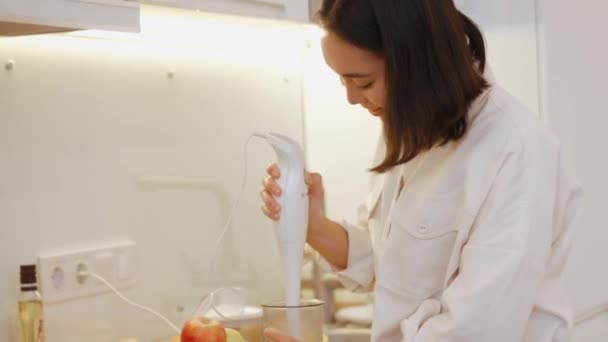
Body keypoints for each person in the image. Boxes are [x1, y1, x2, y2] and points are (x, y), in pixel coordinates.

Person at [261, 0, 583, 341]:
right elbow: (394, 267)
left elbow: (475, 331)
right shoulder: (408, 127)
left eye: (364, 83)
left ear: (417, 62)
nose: (352, 99)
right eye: (343, 81)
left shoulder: (515, 151)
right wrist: (312, 226)